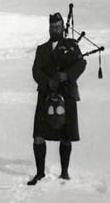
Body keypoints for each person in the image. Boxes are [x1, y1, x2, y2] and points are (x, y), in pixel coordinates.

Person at [28, 12, 86, 186]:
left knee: (66, 136)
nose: (54, 30)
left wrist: (66, 75)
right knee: (38, 135)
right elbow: (36, 71)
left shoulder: (71, 46)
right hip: (45, 94)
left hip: (66, 93)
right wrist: (48, 81)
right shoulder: (42, 49)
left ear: (62, 28)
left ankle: (65, 173)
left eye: (57, 27)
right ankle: (40, 173)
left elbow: (81, 64)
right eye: (52, 27)